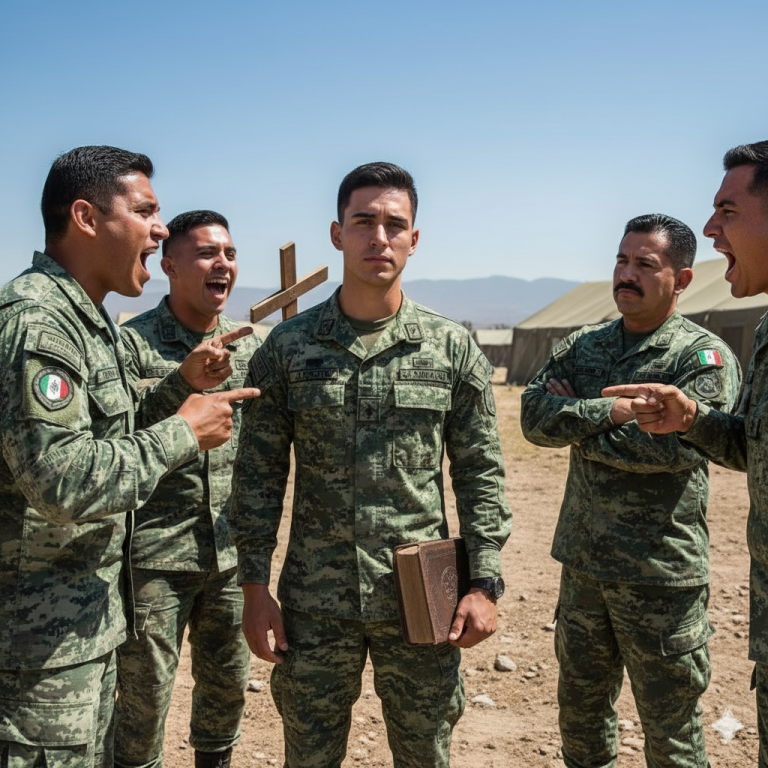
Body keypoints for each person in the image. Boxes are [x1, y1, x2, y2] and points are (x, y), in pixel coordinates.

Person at [230, 161, 511, 768]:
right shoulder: (288, 348)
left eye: (394, 224)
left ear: (414, 238)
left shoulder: (450, 346)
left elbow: (480, 471)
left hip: (421, 600)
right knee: (308, 754)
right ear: (337, 234)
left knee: (425, 753)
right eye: (363, 222)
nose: (378, 237)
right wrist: (254, 588)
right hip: (315, 601)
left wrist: (484, 582)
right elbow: (256, 476)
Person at [0, 146, 258, 768]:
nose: (161, 228)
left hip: (82, 629)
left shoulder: (89, 323)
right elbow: (61, 479)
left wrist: (177, 388)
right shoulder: (39, 324)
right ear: (87, 218)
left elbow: (107, 431)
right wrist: (183, 431)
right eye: (145, 211)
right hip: (37, 647)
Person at [521, 213, 741, 768]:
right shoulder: (582, 345)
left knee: (672, 734)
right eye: (622, 260)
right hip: (585, 571)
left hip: (661, 578)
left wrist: (579, 422)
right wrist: (613, 411)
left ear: (683, 280)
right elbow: (532, 418)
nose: (627, 274)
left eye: (645, 264)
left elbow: (673, 449)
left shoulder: (700, 358)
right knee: (582, 719)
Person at [603, 141, 768, 766]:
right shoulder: (767, 328)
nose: (710, 228)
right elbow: (752, 446)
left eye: (727, 208)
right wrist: (693, 418)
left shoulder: (705, 349)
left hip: (664, 572)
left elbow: (660, 458)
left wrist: (592, 419)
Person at [114, 210, 260, 768]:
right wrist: (181, 384)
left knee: (225, 690)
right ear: (169, 265)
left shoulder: (249, 349)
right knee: (143, 703)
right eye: (205, 253)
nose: (221, 263)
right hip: (152, 560)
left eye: (228, 253)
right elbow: (113, 441)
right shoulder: (130, 347)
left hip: (228, 555)